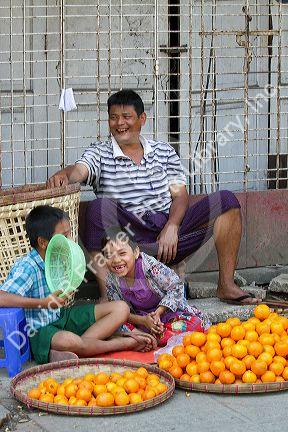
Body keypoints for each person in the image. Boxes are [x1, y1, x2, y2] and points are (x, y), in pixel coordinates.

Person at [47, 89, 259, 305]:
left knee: (226, 201)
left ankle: (226, 285)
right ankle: (108, 296)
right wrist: (65, 174)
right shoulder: (99, 153)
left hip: (168, 239)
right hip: (127, 243)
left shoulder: (163, 151)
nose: (119, 123)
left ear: (142, 119)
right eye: (113, 117)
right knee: (97, 207)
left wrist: (172, 226)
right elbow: (80, 170)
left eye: (126, 116)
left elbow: (181, 196)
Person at [0, 205, 156, 365]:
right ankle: (124, 343)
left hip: (62, 316)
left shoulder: (58, 258)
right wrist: (43, 303)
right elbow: (1, 298)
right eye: (64, 236)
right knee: (69, 341)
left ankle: (79, 348)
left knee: (121, 308)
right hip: (38, 330)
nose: (69, 241)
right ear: (43, 242)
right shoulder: (27, 267)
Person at [101, 227, 210, 346]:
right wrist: (144, 321)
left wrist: (158, 313)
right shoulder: (112, 280)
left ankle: (144, 339)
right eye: (109, 255)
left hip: (167, 316)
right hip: (140, 322)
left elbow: (176, 286)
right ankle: (144, 337)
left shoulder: (150, 267)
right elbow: (118, 312)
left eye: (122, 253)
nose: (116, 260)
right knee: (111, 324)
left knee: (195, 323)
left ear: (136, 252)